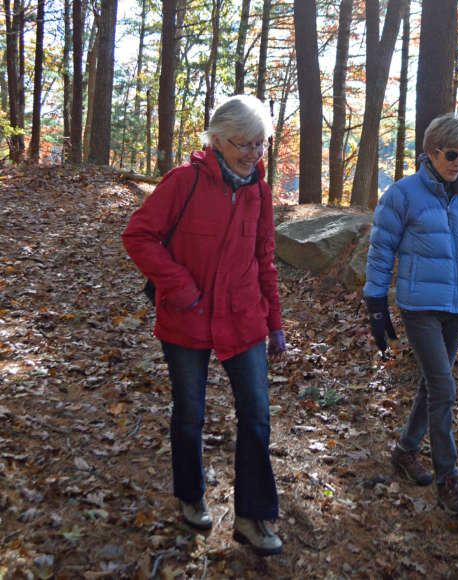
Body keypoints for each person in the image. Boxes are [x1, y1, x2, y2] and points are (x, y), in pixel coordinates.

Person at [122, 95, 285, 555]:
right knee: (190, 414)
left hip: (243, 319)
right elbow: (137, 235)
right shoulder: (183, 182)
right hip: (187, 318)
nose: (254, 153)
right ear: (216, 140)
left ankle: (254, 517)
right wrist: (181, 287)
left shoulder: (260, 190)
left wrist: (274, 322)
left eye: (261, 144)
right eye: (244, 144)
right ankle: (190, 496)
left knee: (256, 416)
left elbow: (264, 259)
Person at [364, 113, 458, 516]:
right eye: (451, 154)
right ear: (431, 153)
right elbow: (380, 251)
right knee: (443, 389)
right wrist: (376, 303)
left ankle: (406, 451)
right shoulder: (403, 194)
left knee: (433, 385)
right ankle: (448, 479)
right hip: (420, 308)